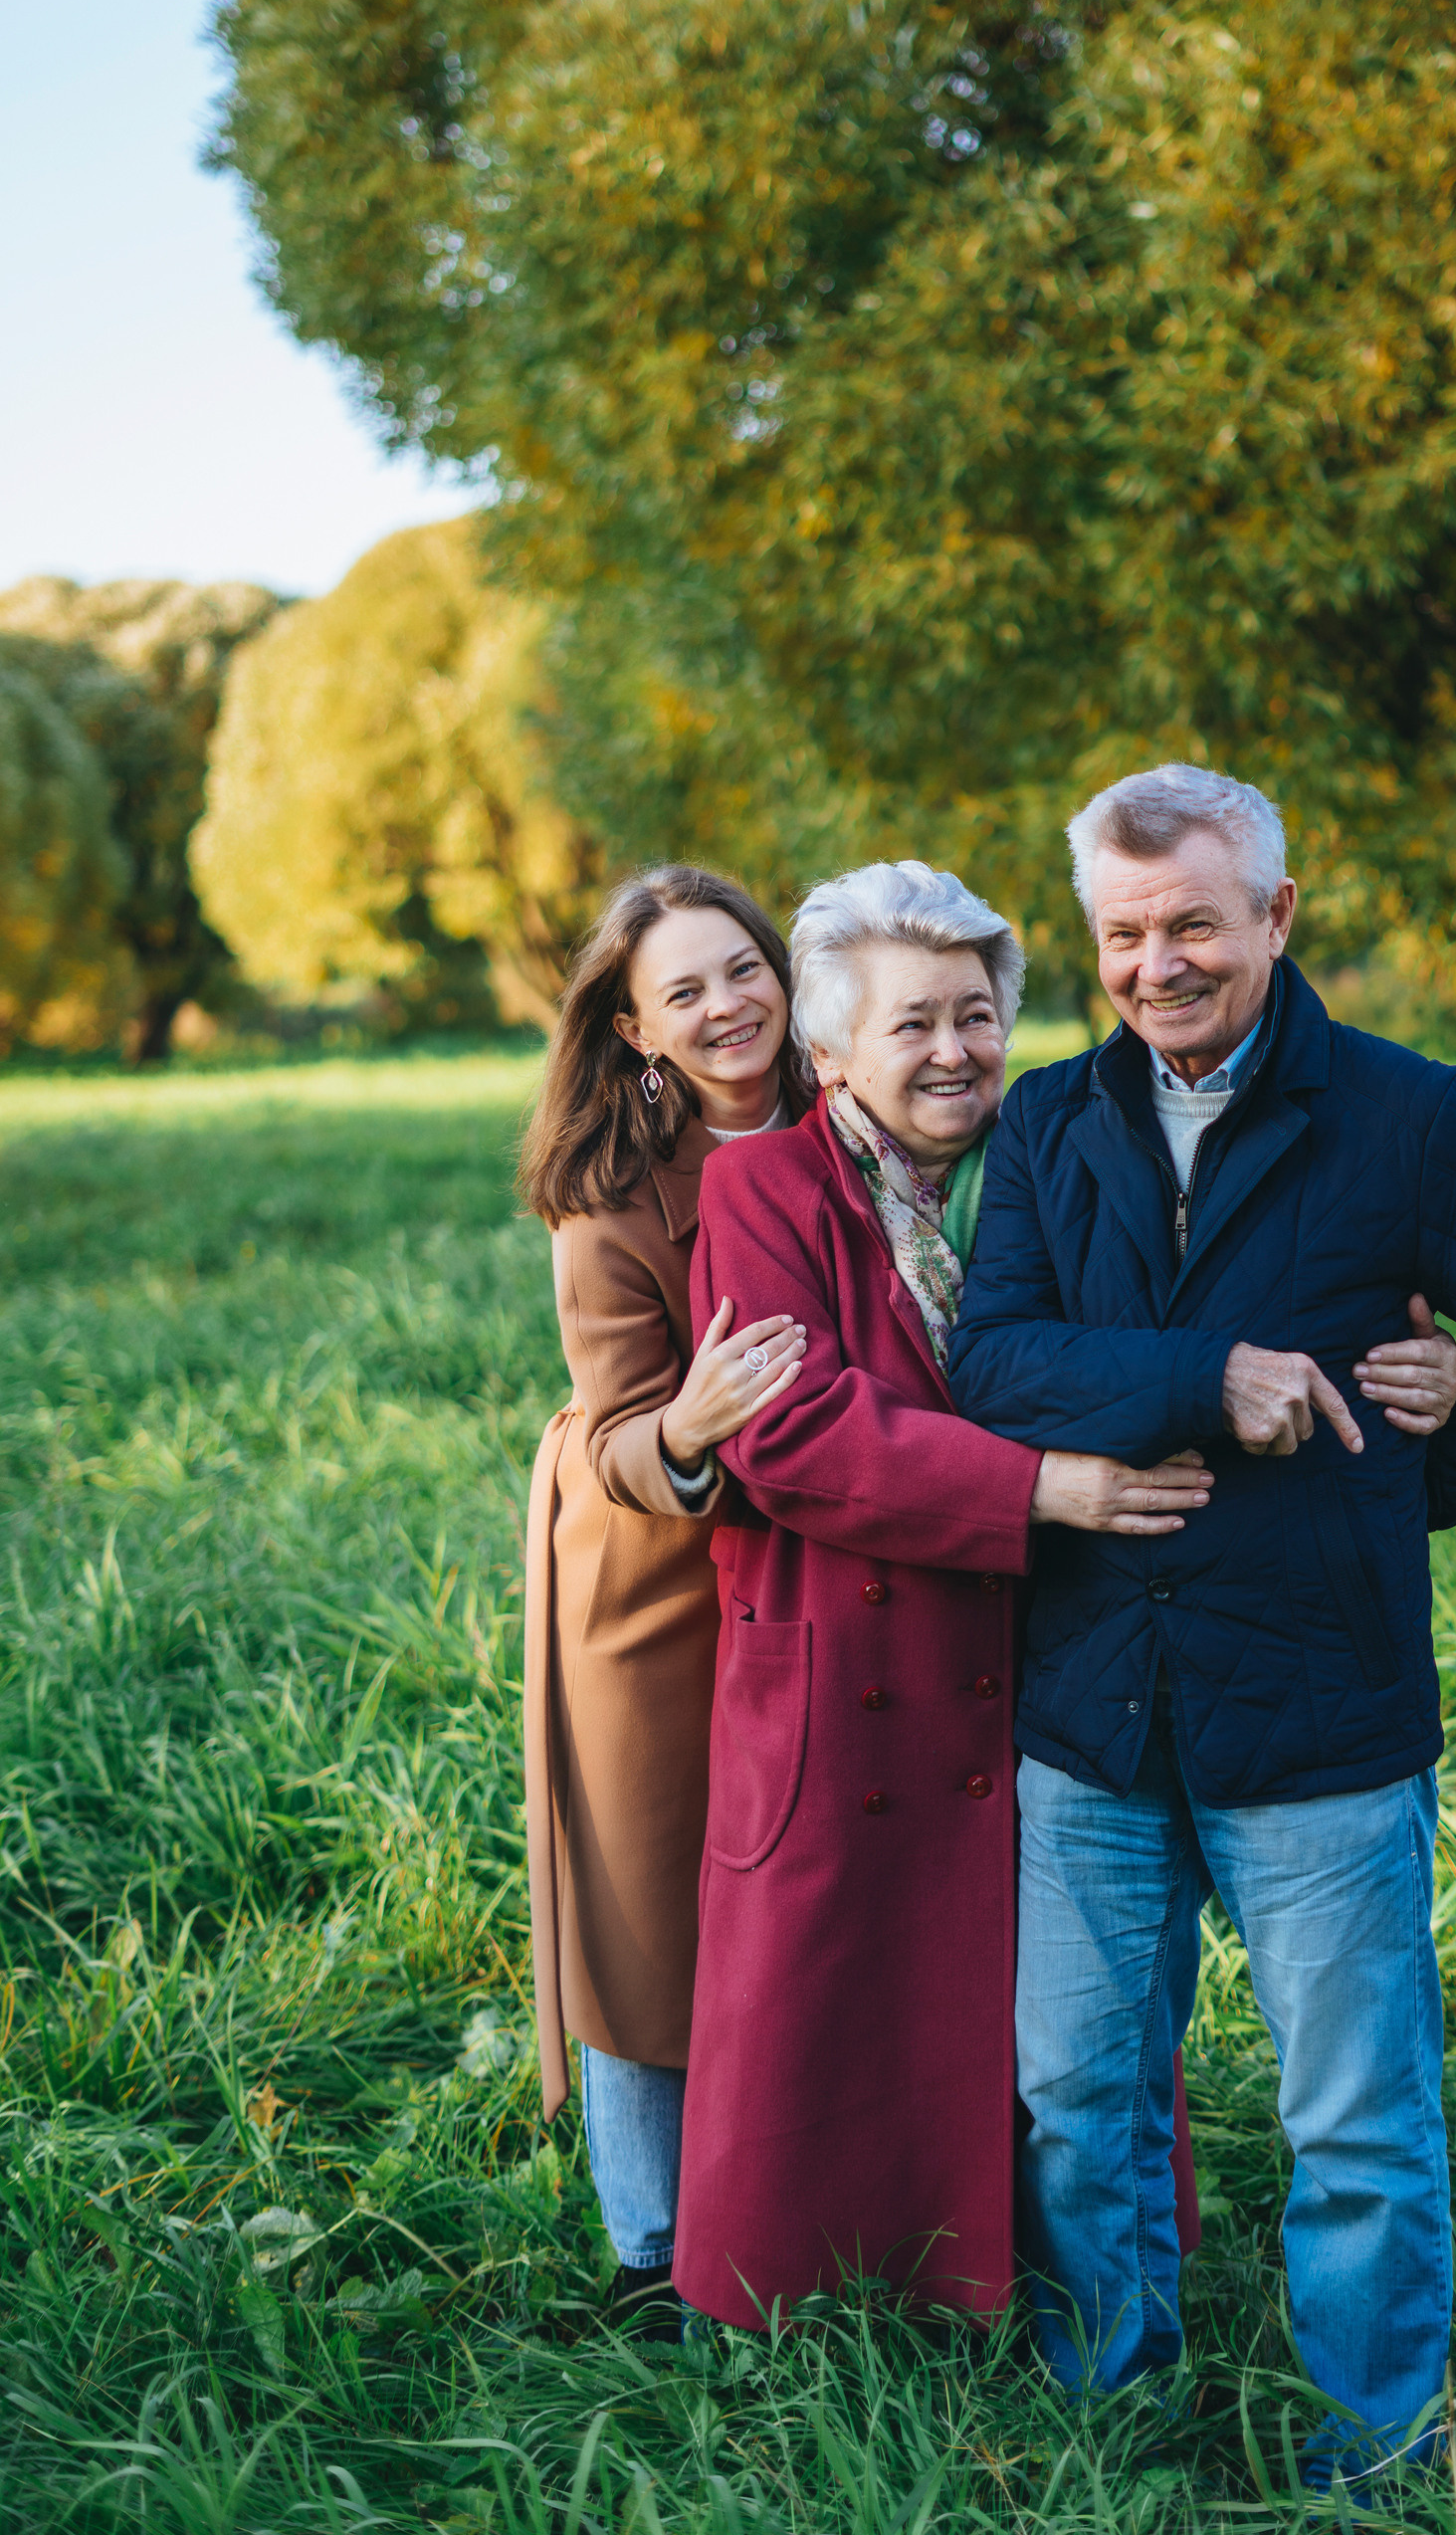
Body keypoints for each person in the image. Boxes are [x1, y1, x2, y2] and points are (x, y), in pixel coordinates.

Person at [670, 860, 1456, 2332]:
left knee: (1054, 2049)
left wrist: (1428, 1365)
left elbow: (1225, 1326)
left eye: (977, 1015)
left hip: (1067, 1664)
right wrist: (1043, 1489)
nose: (955, 1052)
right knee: (843, 2021)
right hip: (864, 1659)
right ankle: (827, 2326)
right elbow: (792, 1430)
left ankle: (1040, 2309)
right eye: (911, 1026)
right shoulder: (765, 1186)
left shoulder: (1058, 1150)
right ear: (831, 1052)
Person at [947, 765, 1456, 2494]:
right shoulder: (1042, 1126)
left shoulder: (1413, 1117)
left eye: (1191, 924)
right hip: (1092, 1704)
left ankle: (1377, 2456)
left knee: (1355, 2127)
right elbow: (996, 1363)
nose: (1156, 963)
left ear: (1275, 917)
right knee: (1081, 2110)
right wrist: (1205, 1383)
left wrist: (1418, 1447)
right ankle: (1114, 2415)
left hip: (1321, 1706)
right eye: (1121, 933)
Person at [518, 864, 818, 2338]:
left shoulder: (866, 1120)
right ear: (636, 1031)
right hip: (659, 1582)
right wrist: (690, 1425)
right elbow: (622, 1425)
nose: (724, 1006)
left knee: (811, 1880)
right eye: (681, 992)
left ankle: (811, 2195)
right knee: (647, 1903)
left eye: (742, 969)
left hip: (837, 1569)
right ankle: (651, 2243)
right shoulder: (612, 1204)